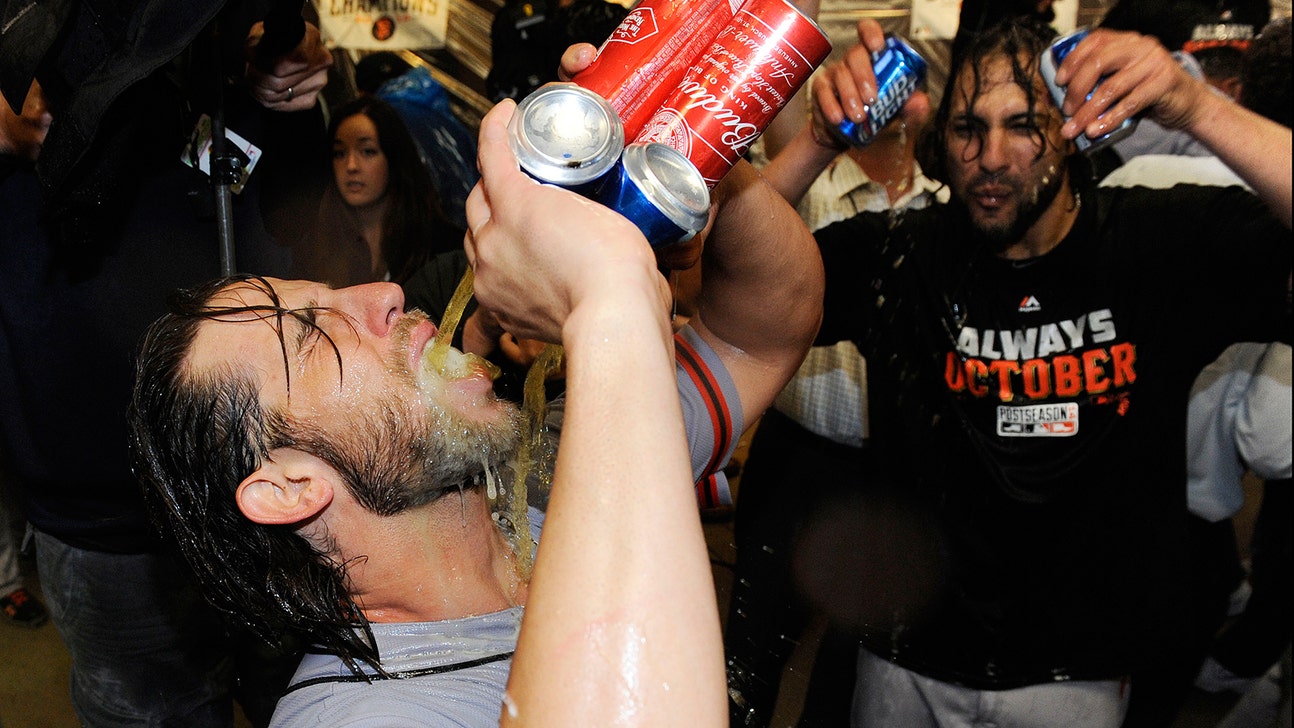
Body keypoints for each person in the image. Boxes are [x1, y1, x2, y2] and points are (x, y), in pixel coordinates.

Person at [126, 78, 823, 724]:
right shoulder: (357, 716)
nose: (385, 293)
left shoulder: (545, 482)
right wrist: (608, 303)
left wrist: (689, 152)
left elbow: (764, 327)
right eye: (311, 329)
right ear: (288, 487)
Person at [761, 15, 1291, 727]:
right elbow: (725, 289)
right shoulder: (901, 254)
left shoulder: (1157, 245)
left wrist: (1196, 106)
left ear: (1071, 130)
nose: (992, 156)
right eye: (967, 130)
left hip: (1075, 671)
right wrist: (819, 142)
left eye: (1022, 125)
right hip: (906, 656)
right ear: (939, 143)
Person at [0, 5, 332, 725]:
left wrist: (291, 87)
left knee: (296, 693)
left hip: (254, 483)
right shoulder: (23, 86)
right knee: (148, 709)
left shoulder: (212, 78)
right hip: (104, 519)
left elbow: (297, 219)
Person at [726, 78, 945, 726]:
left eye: (899, 84)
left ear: (923, 106)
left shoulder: (949, 204)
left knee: (857, 666)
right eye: (864, 84)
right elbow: (726, 241)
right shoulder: (806, 183)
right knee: (752, 653)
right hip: (797, 463)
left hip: (893, 476)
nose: (882, 98)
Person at [292, 95, 465, 288]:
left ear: (394, 158)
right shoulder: (314, 243)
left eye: (367, 151)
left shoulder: (441, 246)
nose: (351, 166)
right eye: (339, 153)